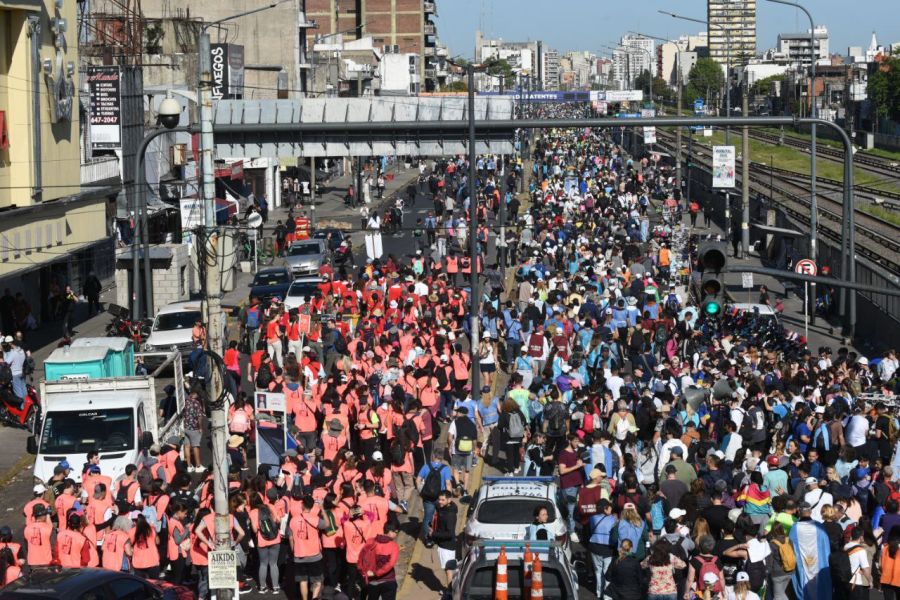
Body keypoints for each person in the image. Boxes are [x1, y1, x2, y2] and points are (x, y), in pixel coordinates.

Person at [358, 520, 400, 600]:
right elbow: (390, 564)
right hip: (388, 580)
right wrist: (376, 573)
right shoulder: (394, 546)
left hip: (372, 582)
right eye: (396, 532)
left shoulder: (370, 541)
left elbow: (361, 557)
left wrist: (364, 572)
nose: (396, 534)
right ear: (390, 531)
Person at [430, 490, 458, 592]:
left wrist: (434, 534)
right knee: (448, 569)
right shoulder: (443, 508)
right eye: (439, 499)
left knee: (449, 570)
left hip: (447, 546)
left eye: (442, 500)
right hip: (443, 545)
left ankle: (450, 592)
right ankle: (450, 590)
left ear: (449, 500)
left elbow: (450, 534)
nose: (440, 502)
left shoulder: (450, 515)